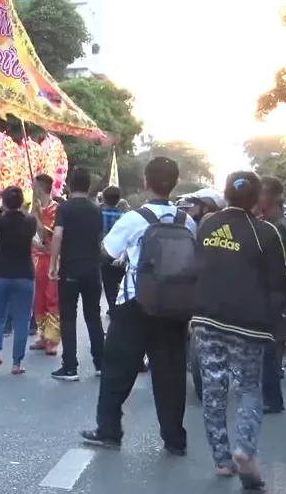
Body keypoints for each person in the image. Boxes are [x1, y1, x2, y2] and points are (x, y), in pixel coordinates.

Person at [81, 156, 195, 455]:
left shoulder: (134, 219)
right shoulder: (188, 222)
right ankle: (174, 438)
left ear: (146, 181)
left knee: (118, 368)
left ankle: (109, 429)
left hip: (135, 303)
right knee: (170, 374)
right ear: (174, 183)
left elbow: (107, 250)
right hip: (176, 308)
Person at [192, 172, 286, 489]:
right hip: (248, 325)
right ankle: (244, 450)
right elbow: (279, 285)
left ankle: (221, 460)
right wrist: (271, 322)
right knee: (248, 389)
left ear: (225, 194)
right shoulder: (266, 233)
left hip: (207, 319)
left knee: (214, 388)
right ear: (257, 197)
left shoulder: (206, 225)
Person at [49, 168, 105, 381]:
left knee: (69, 317)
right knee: (93, 317)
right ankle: (100, 363)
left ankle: (70, 366)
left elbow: (57, 236)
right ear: (89, 185)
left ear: (70, 185)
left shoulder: (65, 208)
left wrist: (53, 264)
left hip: (70, 269)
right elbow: (100, 239)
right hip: (92, 270)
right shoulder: (96, 209)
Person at [0, 186, 37, 375]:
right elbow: (37, 239)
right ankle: (16, 364)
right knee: (22, 319)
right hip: (25, 274)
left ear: (4, 202)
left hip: (1, 273)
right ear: (21, 201)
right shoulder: (30, 221)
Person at [256, 175, 286, 414]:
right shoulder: (274, 225)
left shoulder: (277, 229)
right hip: (274, 293)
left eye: (260, 192)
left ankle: (272, 399)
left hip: (272, 295)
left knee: (267, 347)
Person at [30, 174, 60, 356]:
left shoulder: (55, 210)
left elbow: (45, 236)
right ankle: (42, 336)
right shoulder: (37, 209)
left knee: (51, 299)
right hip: (36, 259)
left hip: (51, 259)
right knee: (38, 298)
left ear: (40, 189)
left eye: (34, 187)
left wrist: (35, 215)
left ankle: (53, 339)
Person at [99, 186, 127, 307]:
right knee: (122, 284)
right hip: (121, 256)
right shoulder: (124, 217)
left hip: (105, 255)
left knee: (109, 287)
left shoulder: (99, 214)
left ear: (103, 199)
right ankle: (121, 307)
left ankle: (112, 308)